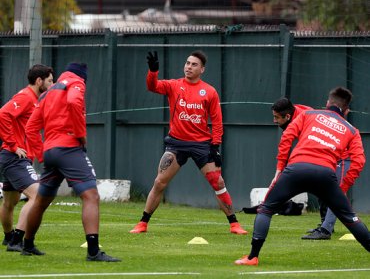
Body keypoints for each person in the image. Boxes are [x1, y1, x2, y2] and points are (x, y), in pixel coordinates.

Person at [235, 87, 369, 266]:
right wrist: (341, 188)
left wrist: (280, 169)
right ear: (346, 110)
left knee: (266, 210)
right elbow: (359, 162)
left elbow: (287, 137)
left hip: (296, 169)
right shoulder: (352, 130)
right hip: (325, 175)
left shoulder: (308, 114)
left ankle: (252, 257)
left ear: (327, 103)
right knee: (350, 219)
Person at [130, 51, 247, 235]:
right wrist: (153, 71)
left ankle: (234, 224)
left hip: (202, 145)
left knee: (218, 182)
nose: (188, 67)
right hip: (176, 144)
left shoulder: (209, 91)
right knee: (159, 182)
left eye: (193, 64)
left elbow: (217, 121)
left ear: (202, 69)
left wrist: (215, 146)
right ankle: (143, 223)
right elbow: (152, 86)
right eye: (187, 63)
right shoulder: (173, 85)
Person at [24, 62, 120, 262]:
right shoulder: (76, 83)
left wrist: (42, 155)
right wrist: (81, 135)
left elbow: (31, 128)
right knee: (91, 196)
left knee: (41, 202)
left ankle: (27, 244)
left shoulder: (46, 93)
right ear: (83, 77)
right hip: (68, 148)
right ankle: (93, 252)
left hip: (51, 151)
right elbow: (75, 102)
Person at [272, 98, 351, 240]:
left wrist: (280, 171)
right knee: (322, 188)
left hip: (341, 156)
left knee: (336, 193)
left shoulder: (306, 115)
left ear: (288, 116)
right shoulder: (294, 113)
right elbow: (285, 144)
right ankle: (325, 225)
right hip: (326, 156)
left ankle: (326, 230)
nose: (274, 121)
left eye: (277, 117)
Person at [0, 64, 54, 252]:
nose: (52, 84)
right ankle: (17, 240)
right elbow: (3, 114)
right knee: (38, 195)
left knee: (10, 202)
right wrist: (14, 146)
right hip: (15, 158)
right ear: (39, 81)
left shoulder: (36, 100)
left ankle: (8, 238)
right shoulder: (25, 97)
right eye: (49, 81)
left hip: (11, 158)